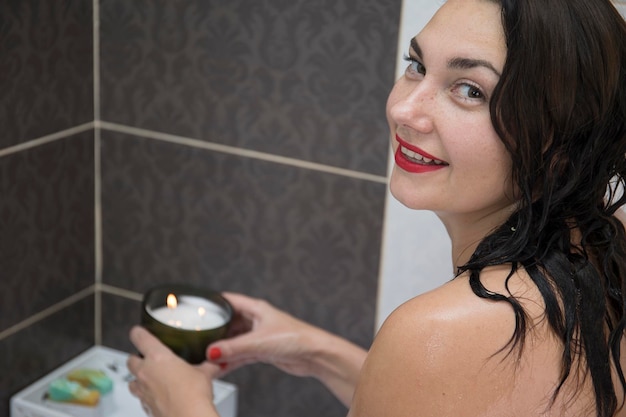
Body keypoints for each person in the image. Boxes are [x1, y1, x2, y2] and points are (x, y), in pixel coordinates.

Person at [127, 0, 626, 415]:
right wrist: (317, 352)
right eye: (417, 66)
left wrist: (185, 406)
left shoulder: (440, 331)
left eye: (469, 90)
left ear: (561, 145)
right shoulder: (602, 258)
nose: (403, 110)